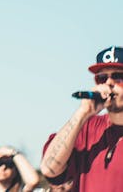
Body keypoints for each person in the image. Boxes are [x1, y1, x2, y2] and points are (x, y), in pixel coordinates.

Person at [41, 45, 123, 191]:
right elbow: (49, 169)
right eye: (102, 78)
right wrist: (83, 113)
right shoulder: (86, 128)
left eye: (118, 77)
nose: (109, 83)